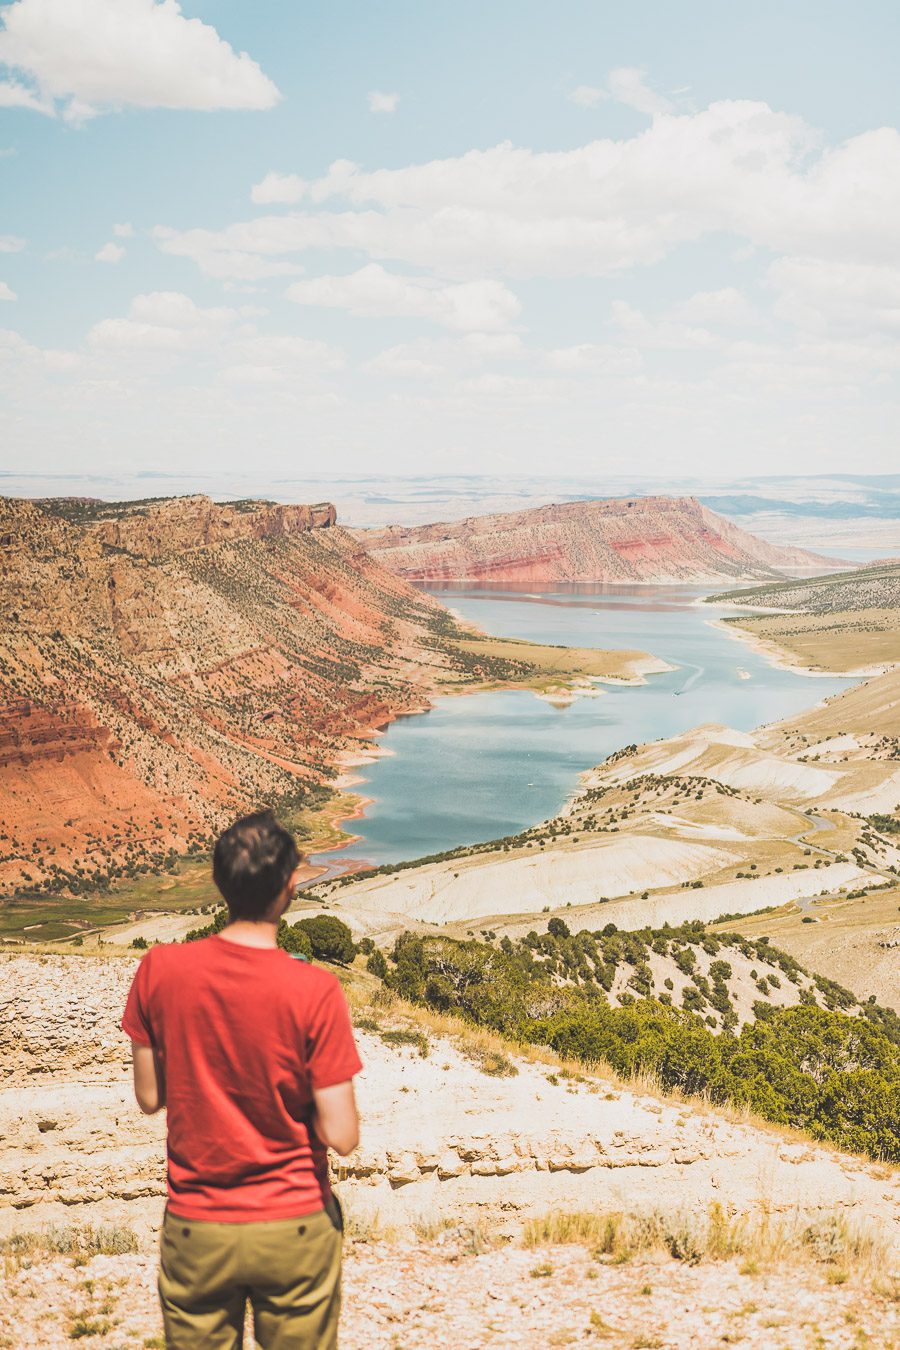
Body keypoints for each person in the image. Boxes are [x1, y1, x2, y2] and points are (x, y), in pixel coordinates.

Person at [121, 810, 362, 1350]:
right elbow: (343, 1135)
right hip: (295, 1223)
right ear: (290, 887)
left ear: (218, 881)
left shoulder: (159, 970)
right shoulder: (315, 991)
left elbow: (149, 1097)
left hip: (196, 1225)